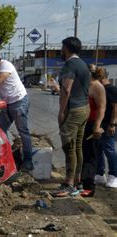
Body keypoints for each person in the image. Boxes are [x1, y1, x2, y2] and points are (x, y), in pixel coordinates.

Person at [0, 49, 33, 172]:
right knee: (0, 132)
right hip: (6, 104)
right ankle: (9, 158)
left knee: (23, 131)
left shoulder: (6, 65)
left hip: (19, 100)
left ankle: (28, 161)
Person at [53, 37, 90, 197]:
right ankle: (78, 182)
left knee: (69, 147)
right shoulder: (82, 64)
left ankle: (69, 184)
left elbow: (66, 89)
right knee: (78, 147)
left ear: (66, 48)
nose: (61, 50)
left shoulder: (70, 64)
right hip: (84, 108)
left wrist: (61, 111)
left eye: (62, 47)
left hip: (73, 110)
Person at [80, 66, 106, 197]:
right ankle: (81, 181)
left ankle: (89, 186)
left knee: (90, 156)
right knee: (82, 154)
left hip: (92, 124)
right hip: (82, 124)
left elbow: (101, 108)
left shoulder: (97, 87)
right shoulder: (86, 85)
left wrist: (97, 126)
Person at [95, 67, 117, 188]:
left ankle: (114, 175)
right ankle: (99, 174)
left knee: (109, 150)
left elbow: (116, 108)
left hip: (108, 125)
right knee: (98, 149)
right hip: (99, 125)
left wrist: (112, 124)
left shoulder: (111, 89)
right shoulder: (101, 89)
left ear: (101, 77)